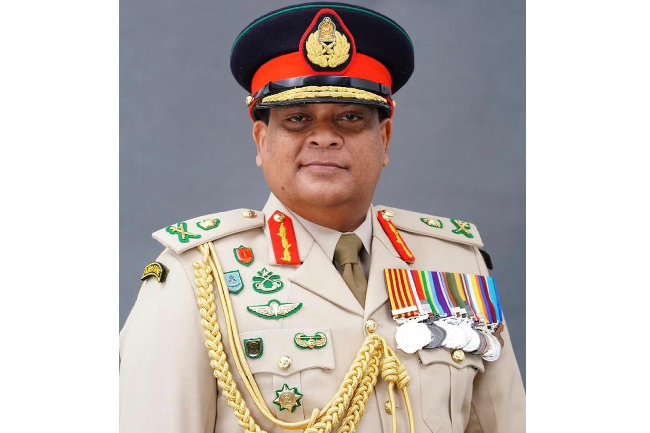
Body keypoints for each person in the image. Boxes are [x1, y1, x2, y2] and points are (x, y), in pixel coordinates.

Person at [119, 2, 525, 432]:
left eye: (350, 119)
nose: (325, 138)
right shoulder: (195, 275)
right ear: (261, 140)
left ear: (384, 138)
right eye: (297, 119)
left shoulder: (456, 262)